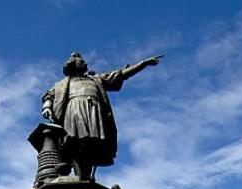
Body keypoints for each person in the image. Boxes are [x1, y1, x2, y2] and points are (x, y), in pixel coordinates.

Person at [42, 52, 162, 181]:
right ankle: (80, 174)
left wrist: (143, 63)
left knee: (91, 143)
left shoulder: (96, 79)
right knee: (75, 141)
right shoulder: (62, 84)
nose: (85, 63)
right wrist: (47, 107)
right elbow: (49, 95)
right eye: (81, 62)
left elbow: (121, 74)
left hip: (94, 111)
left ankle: (84, 176)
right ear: (73, 64)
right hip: (74, 109)